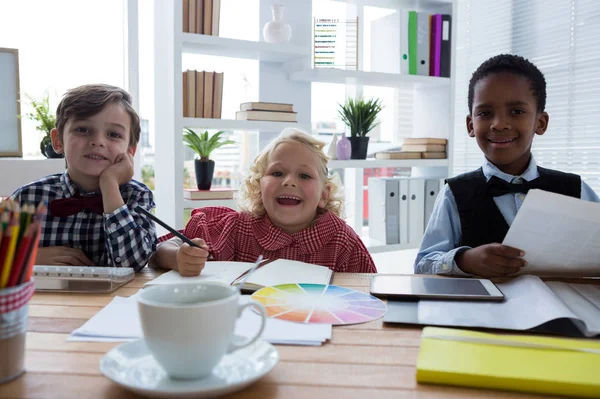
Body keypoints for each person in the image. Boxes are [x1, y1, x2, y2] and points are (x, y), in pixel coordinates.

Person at [415, 54, 600, 278]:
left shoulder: (576, 190)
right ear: (470, 125)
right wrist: (465, 260)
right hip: (481, 313)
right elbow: (423, 265)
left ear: (540, 123)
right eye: (485, 113)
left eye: (516, 112)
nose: (499, 124)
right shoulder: (453, 193)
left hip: (566, 310)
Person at [151, 128, 376, 275]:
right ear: (259, 187)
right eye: (277, 173)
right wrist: (180, 258)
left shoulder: (343, 242)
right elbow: (158, 250)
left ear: (324, 195)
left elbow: (372, 292)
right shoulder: (235, 229)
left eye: (304, 176)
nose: (289, 182)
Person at [11, 84, 156, 270]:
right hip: (43, 299)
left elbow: (132, 263)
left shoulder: (137, 195)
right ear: (58, 141)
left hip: (117, 299)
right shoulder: (27, 198)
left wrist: (110, 184)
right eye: (83, 129)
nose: (98, 141)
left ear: (130, 152)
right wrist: (28, 257)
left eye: (113, 134)